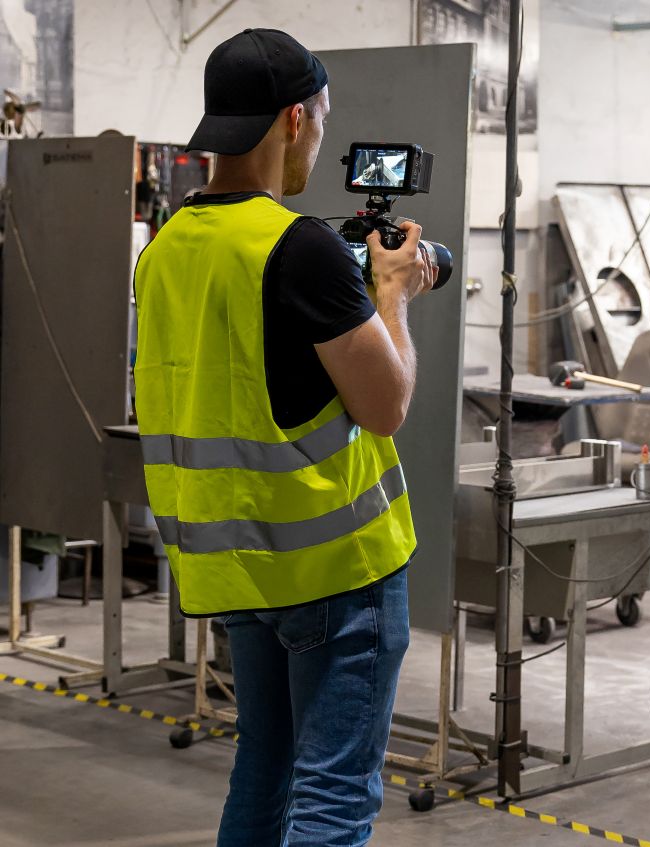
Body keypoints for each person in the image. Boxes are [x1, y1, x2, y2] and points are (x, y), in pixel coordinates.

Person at [132, 29, 437, 845]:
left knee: (263, 770)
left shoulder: (163, 250)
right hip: (337, 568)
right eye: (325, 119)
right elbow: (386, 403)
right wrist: (393, 295)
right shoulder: (296, 248)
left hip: (238, 569)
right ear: (294, 119)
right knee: (334, 795)